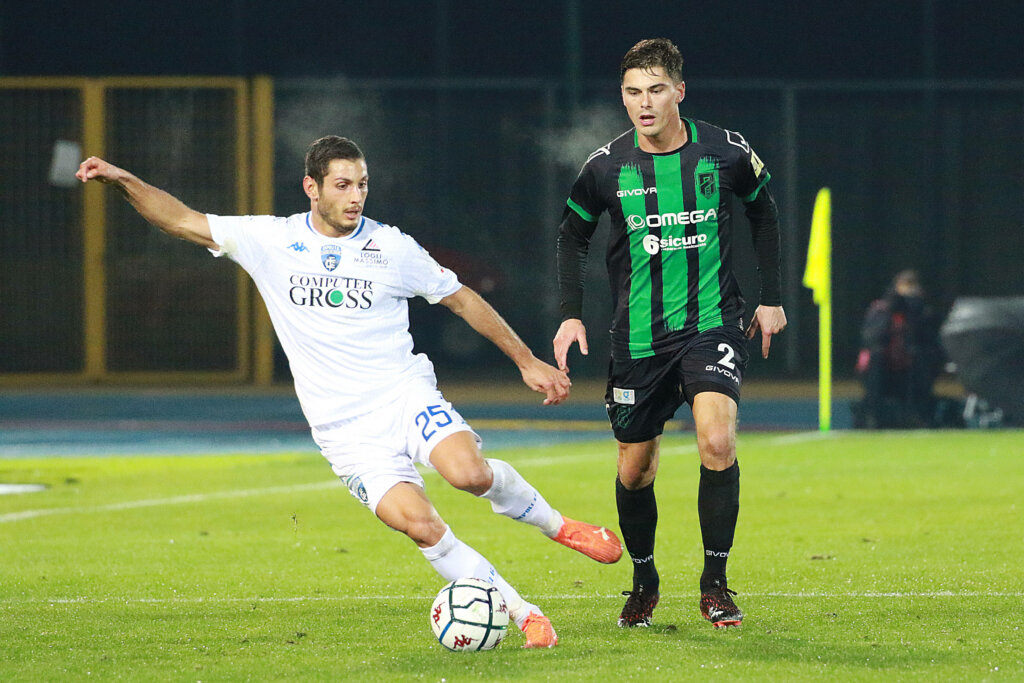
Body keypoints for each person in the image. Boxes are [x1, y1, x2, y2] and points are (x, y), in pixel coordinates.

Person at [76, 135, 623, 649]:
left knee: (469, 475)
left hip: (404, 398)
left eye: (361, 184)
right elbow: (182, 220)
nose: (356, 196)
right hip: (344, 432)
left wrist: (525, 360)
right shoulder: (271, 239)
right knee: (422, 526)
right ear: (312, 187)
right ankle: (524, 612)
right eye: (342, 185)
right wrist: (124, 179)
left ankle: (558, 526)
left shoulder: (391, 246)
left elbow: (459, 298)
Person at [552, 38, 786, 629]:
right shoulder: (605, 166)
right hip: (637, 340)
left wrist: (772, 297)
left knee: (716, 441)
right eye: (633, 92)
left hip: (713, 323)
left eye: (656, 89)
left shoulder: (725, 151)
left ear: (680, 90)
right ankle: (644, 577)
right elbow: (572, 236)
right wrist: (570, 312)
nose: (644, 103)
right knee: (637, 468)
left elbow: (764, 212)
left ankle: (716, 583)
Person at [855, 269, 942, 428]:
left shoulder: (923, 312)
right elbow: (870, 337)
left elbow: (929, 340)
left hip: (911, 367)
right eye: (905, 286)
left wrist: (915, 310)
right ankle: (872, 417)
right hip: (882, 367)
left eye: (912, 286)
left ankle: (918, 416)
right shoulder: (881, 309)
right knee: (875, 361)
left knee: (921, 362)